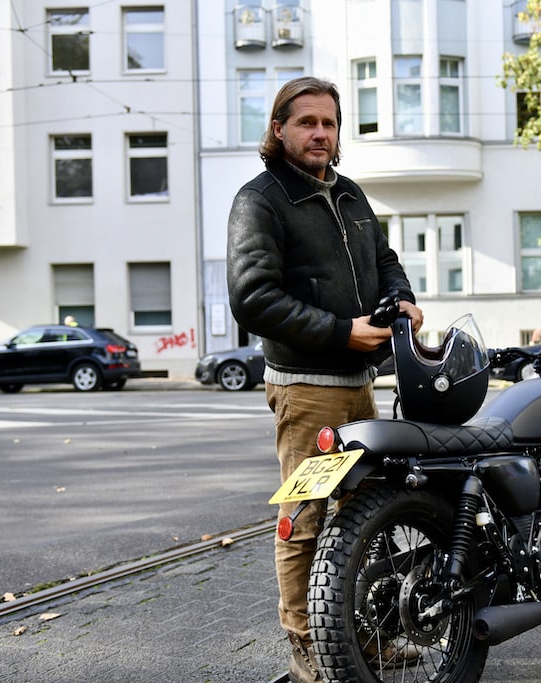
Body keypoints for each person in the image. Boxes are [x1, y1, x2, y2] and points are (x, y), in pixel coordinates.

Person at [226, 76, 423, 683]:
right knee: (307, 522)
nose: (319, 133)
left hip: (360, 385)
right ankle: (309, 647)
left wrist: (403, 301)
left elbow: (384, 262)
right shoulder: (260, 200)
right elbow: (253, 298)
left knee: (368, 518)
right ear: (278, 129)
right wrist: (342, 331)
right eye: (307, 122)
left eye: (329, 123)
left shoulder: (350, 194)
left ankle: (365, 635)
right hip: (308, 390)